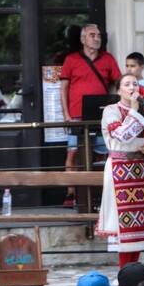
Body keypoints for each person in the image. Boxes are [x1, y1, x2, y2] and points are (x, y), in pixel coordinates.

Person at [96, 73, 144, 269]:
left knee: (140, 223)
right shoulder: (111, 111)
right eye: (127, 84)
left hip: (143, 170)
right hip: (121, 170)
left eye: (135, 83)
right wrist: (134, 110)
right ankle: (124, 272)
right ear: (119, 90)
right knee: (124, 223)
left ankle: (133, 269)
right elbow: (122, 136)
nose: (132, 87)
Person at [60, 23, 122, 206]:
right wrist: (66, 116)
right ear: (82, 39)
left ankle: (101, 194)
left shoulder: (108, 59)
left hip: (101, 115)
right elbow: (63, 89)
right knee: (73, 153)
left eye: (99, 36)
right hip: (76, 115)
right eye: (92, 35)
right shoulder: (71, 59)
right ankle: (71, 194)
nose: (97, 38)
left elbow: (119, 84)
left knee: (102, 154)